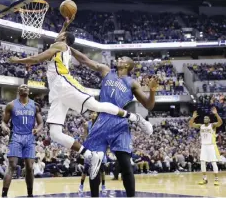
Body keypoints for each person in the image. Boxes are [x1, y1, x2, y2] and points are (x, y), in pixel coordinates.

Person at [9, 17, 152, 180]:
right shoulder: (60, 43)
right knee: (55, 134)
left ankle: (135, 117)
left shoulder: (60, 45)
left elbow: (36, 59)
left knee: (95, 106)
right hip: (56, 92)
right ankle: (90, 155)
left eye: (61, 34)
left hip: (64, 83)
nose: (58, 35)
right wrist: (65, 23)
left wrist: (18, 60)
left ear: (63, 39)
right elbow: (61, 35)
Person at [70, 48, 158, 197]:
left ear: (128, 65)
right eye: (119, 58)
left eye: (123, 59)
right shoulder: (106, 70)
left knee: (126, 166)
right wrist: (69, 48)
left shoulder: (132, 83)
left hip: (119, 124)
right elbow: (85, 60)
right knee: (94, 165)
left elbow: (149, 105)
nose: (119, 59)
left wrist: (153, 91)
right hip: (101, 122)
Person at [1, 84, 43, 197]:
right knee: (12, 165)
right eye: (22, 87)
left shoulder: (35, 105)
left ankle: (30, 194)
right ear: (18, 91)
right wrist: (5, 127)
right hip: (16, 136)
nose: (24, 88)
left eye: (26, 87)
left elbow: (41, 123)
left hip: (29, 137)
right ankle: (4, 195)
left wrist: (37, 130)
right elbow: (4, 121)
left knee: (29, 167)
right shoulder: (11, 105)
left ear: (29, 91)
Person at [189, 107, 223, 186]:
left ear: (209, 120)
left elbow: (220, 122)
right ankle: (205, 179)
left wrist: (216, 114)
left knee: (214, 162)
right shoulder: (201, 126)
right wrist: (193, 117)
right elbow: (191, 124)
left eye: (207, 118)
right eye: (204, 118)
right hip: (204, 146)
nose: (205, 119)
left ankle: (216, 179)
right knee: (202, 162)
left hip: (211, 146)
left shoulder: (212, 125)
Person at [79, 112, 107, 193]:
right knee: (86, 169)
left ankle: (103, 186)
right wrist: (84, 131)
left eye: (94, 113)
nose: (93, 114)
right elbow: (85, 137)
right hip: (90, 148)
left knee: (102, 169)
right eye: (91, 113)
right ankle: (81, 185)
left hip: (100, 148)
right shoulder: (87, 124)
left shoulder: (101, 124)